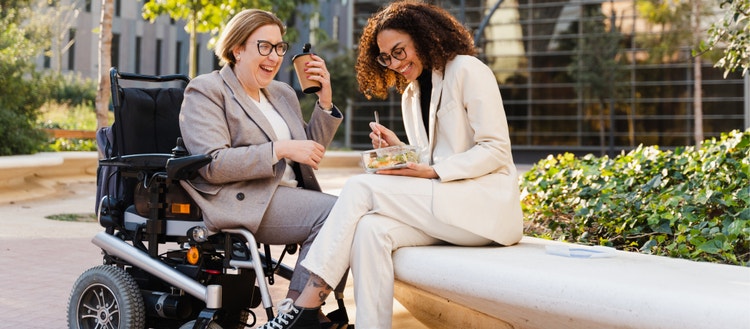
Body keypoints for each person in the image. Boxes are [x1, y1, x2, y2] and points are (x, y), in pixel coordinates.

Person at [258, 1, 524, 329]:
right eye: (386, 57)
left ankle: (306, 304)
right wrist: (400, 150)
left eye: (400, 51)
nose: (395, 63)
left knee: (358, 187)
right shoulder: (410, 94)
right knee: (370, 230)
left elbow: (495, 150)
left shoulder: (467, 69)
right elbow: (431, 158)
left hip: (484, 208)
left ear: (424, 38)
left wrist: (431, 171)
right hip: (447, 206)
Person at [177, 8, 347, 327]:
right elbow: (211, 163)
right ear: (238, 49)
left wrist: (325, 100)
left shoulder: (281, 93)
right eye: (264, 46)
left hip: (287, 196)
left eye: (279, 47)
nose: (274, 56)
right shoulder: (207, 90)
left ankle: (309, 311)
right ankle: (298, 311)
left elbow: (308, 147)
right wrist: (278, 149)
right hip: (245, 198)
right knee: (337, 213)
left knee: (351, 212)